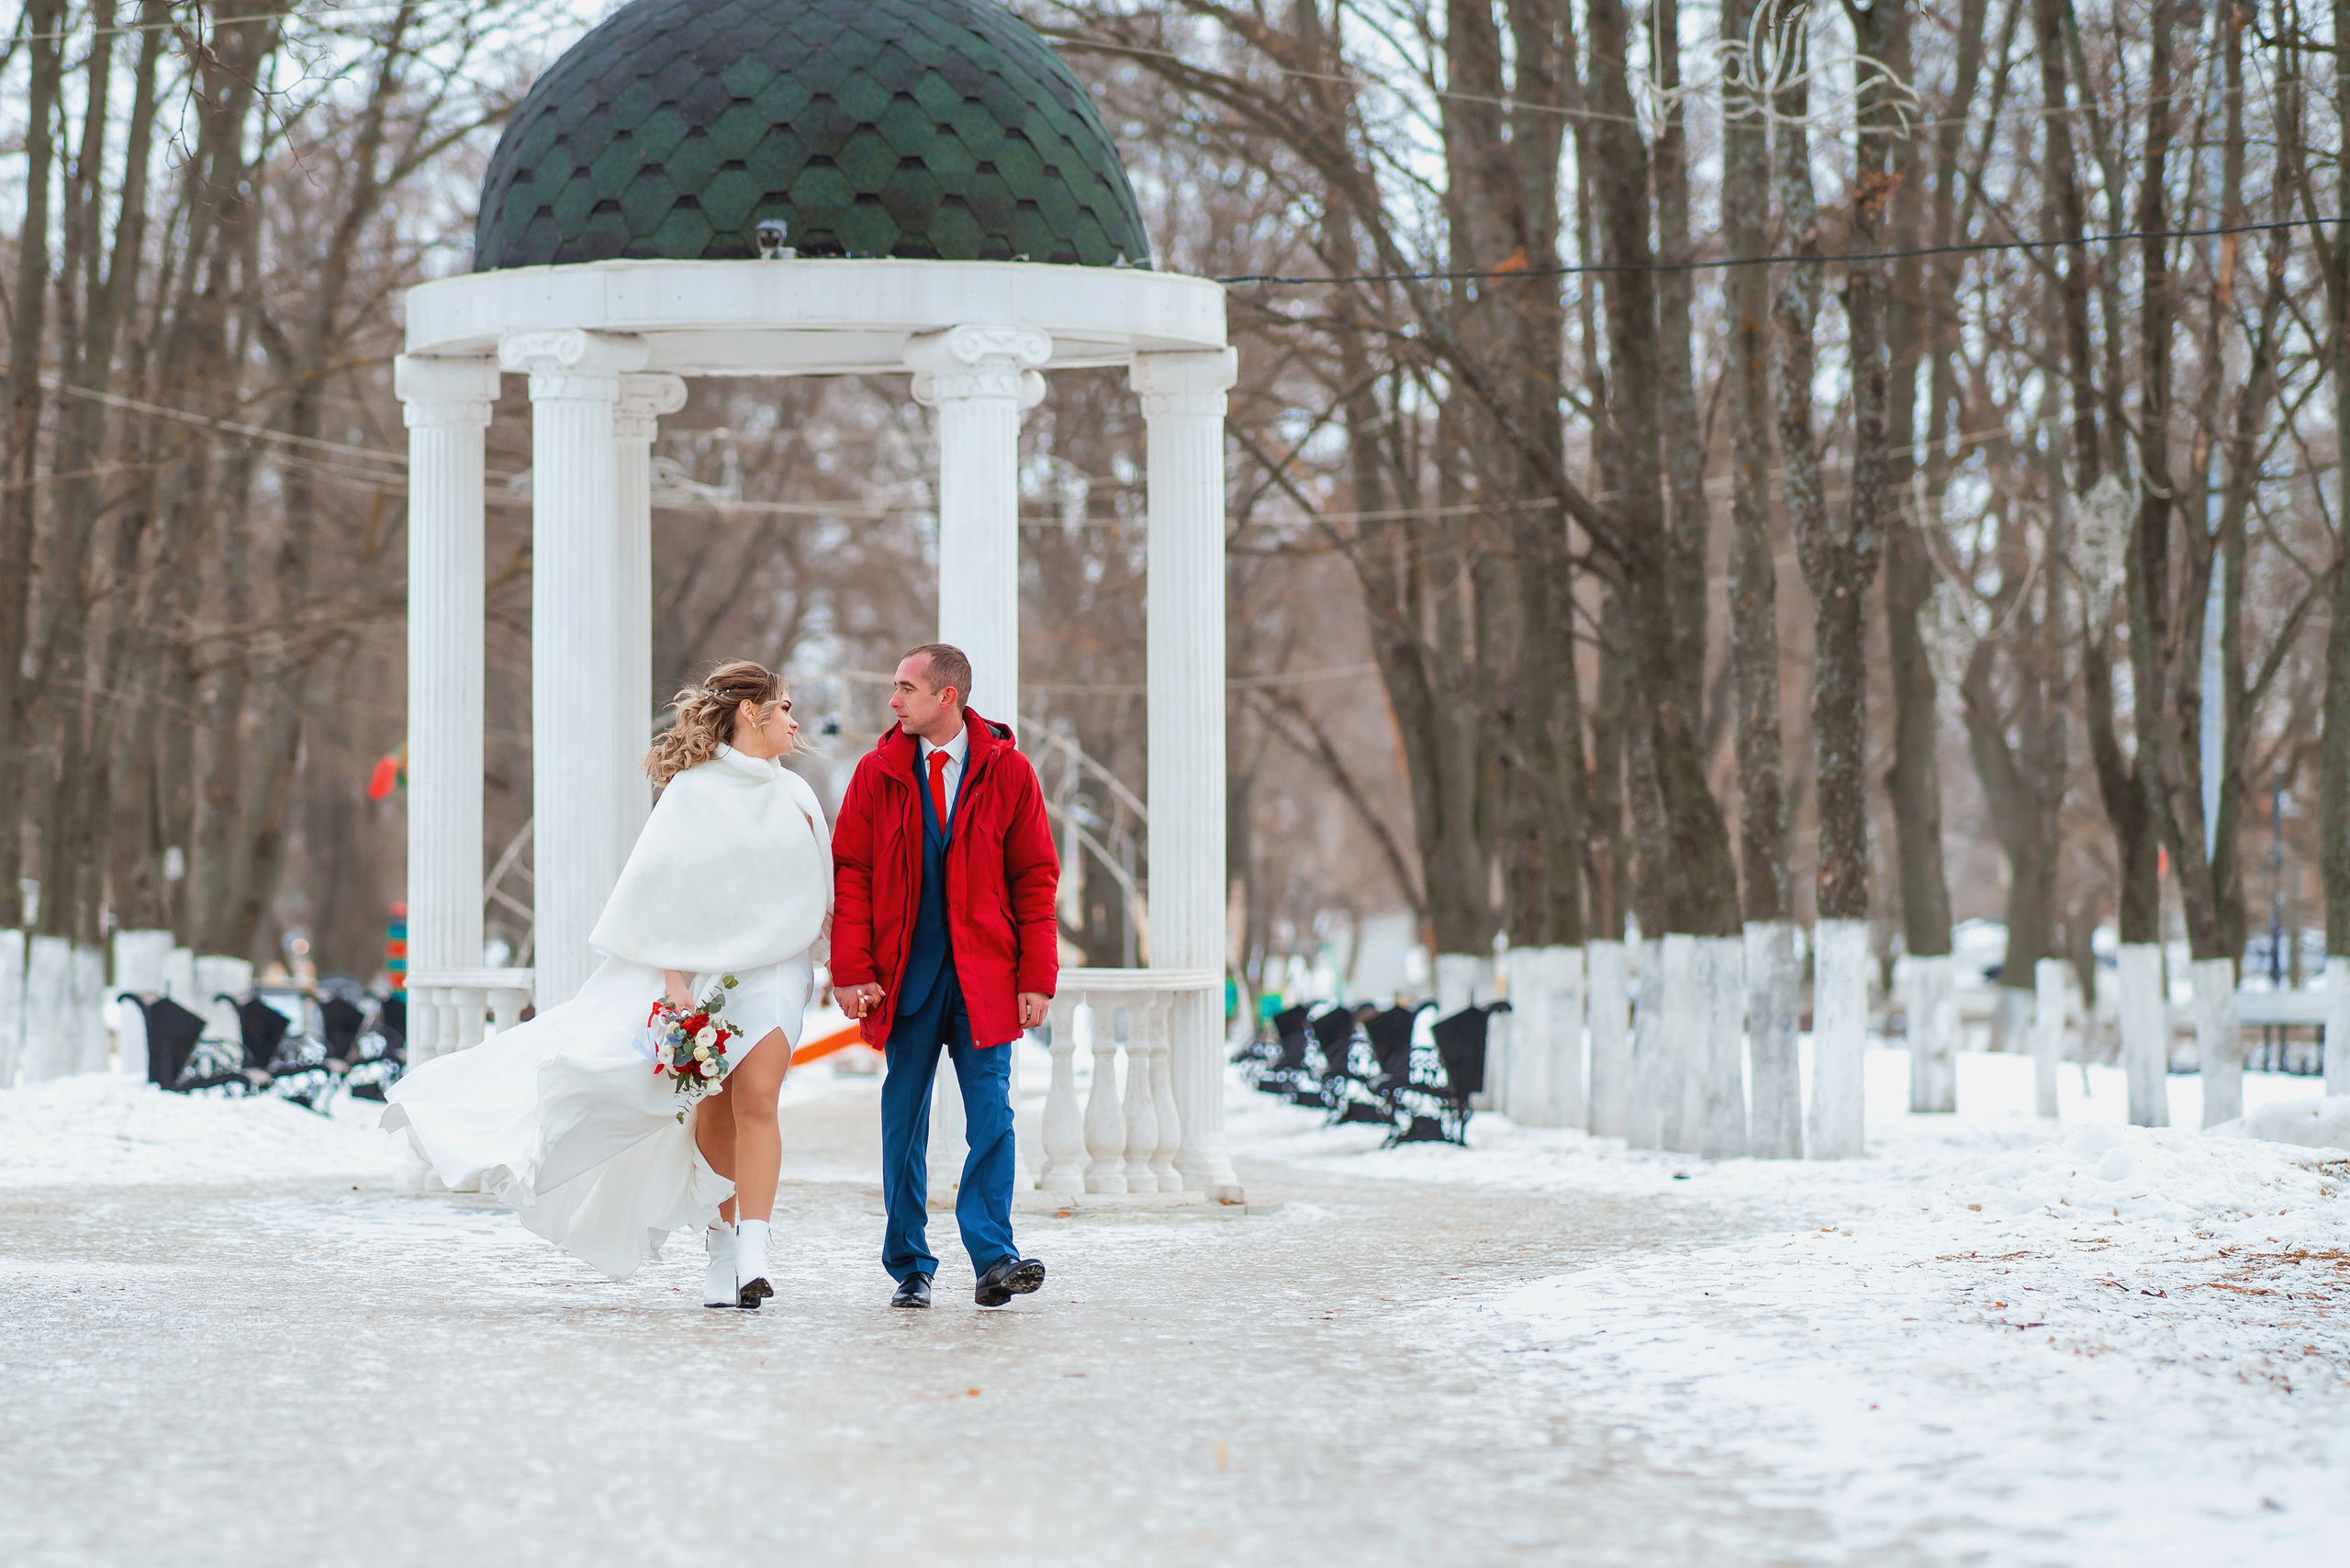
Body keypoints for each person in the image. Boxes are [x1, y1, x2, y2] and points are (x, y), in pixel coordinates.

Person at [384, 660, 830, 1309]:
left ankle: (756, 1251)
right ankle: (723, 1244)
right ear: (749, 713)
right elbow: (659, 894)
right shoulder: (692, 792)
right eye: (785, 706)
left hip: (778, 968)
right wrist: (676, 983)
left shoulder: (798, 794)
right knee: (713, 1106)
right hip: (706, 974)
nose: (795, 720)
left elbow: (821, 888)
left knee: (758, 1098)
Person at [831, 643, 1058, 1308]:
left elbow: (1035, 879)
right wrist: (852, 970)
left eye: (906, 688)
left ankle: (994, 1258)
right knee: (905, 1119)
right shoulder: (877, 774)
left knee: (992, 1115)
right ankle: (910, 1264)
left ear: (946, 697)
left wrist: (1036, 978)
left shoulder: (1010, 773)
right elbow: (854, 874)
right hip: (907, 979)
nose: (894, 700)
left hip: (985, 977)